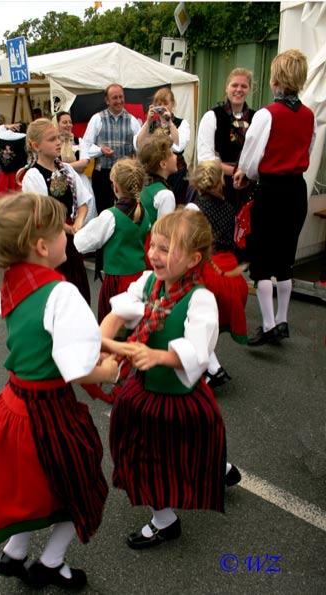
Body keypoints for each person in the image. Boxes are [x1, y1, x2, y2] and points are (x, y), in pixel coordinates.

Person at [0, 193, 119, 590]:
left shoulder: (12, 281)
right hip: (47, 413)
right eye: (62, 231)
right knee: (82, 486)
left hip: (13, 406)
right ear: (41, 245)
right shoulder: (62, 293)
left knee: (39, 489)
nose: (67, 237)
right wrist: (110, 368)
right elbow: (79, 368)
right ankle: (51, 562)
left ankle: (15, 552)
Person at [100, 209, 240, 551]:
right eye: (154, 246)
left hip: (178, 394)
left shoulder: (201, 299)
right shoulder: (148, 282)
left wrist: (158, 356)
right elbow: (118, 314)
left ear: (193, 259)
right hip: (147, 390)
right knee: (148, 452)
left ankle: (173, 514)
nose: (153, 254)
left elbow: (197, 351)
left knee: (169, 452)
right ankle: (179, 505)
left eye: (165, 249)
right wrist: (102, 342)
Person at [234, 49, 315, 346]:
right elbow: (307, 151)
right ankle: (282, 320)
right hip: (297, 191)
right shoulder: (309, 115)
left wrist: (245, 172)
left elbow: (252, 156)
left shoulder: (268, 114)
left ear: (276, 78)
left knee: (263, 259)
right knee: (285, 257)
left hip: (272, 191)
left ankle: (268, 324)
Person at [188, 160, 248, 386]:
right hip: (231, 272)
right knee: (206, 321)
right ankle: (213, 367)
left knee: (189, 314)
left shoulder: (194, 208)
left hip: (209, 271)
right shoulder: (230, 208)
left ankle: (210, 368)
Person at [20, 118, 92, 304]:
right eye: (52, 139)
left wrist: (77, 223)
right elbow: (42, 214)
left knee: (79, 292)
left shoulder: (67, 169)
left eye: (58, 137)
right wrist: (66, 228)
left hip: (70, 240)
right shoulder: (33, 176)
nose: (59, 142)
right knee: (58, 295)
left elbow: (83, 202)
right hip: (49, 242)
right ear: (36, 146)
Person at [74, 158, 150, 322]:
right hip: (140, 279)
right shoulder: (145, 212)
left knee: (113, 327)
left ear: (115, 187)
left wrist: (77, 227)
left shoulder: (110, 216)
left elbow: (81, 243)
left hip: (117, 282)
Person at [197, 68, 255, 213]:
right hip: (218, 188)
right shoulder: (212, 116)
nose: (239, 89)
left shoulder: (256, 117)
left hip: (248, 189)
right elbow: (205, 160)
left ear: (249, 90)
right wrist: (236, 171)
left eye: (244, 86)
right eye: (235, 85)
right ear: (227, 87)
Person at [82, 83, 141, 214]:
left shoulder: (132, 121)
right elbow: (85, 146)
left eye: (121, 97)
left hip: (125, 176)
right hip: (102, 175)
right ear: (107, 100)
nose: (119, 101)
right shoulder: (97, 119)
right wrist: (100, 150)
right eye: (115, 98)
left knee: (127, 212)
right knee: (104, 212)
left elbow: (139, 147)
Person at [136, 87, 191, 204]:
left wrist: (170, 121)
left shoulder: (182, 123)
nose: (162, 107)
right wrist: (148, 121)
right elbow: (139, 145)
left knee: (176, 205)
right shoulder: (151, 124)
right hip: (154, 173)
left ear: (173, 104)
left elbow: (179, 145)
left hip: (176, 173)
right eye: (159, 104)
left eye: (165, 103)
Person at [56, 110, 97, 222]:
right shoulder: (54, 143)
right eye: (64, 122)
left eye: (70, 122)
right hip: (61, 183)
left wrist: (60, 166)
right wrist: (74, 165)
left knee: (85, 217)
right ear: (57, 124)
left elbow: (84, 164)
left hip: (81, 183)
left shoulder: (79, 141)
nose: (68, 125)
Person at [138, 134, 177, 225]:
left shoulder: (143, 185)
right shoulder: (166, 195)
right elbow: (164, 232)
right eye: (172, 153)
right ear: (163, 164)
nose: (176, 156)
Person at [0, 121, 28, 196]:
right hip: (19, 176)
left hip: (3, 176)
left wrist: (7, 126)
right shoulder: (25, 139)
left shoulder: (0, 135)